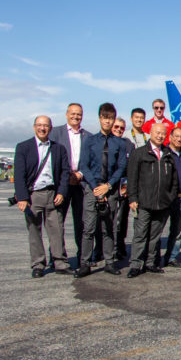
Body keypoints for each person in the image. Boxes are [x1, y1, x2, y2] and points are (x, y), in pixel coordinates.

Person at [75, 103, 128, 278]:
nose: (108, 121)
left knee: (109, 228)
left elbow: (121, 167)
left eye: (111, 118)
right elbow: (84, 165)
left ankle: (109, 261)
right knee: (88, 228)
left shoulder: (119, 143)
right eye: (105, 118)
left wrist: (109, 185)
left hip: (110, 189)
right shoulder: (90, 141)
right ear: (100, 118)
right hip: (93, 188)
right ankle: (85, 263)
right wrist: (96, 187)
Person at [14, 116, 71, 277]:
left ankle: (60, 262)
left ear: (50, 128)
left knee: (57, 230)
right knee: (34, 230)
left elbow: (65, 172)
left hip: (52, 193)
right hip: (33, 196)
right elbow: (19, 174)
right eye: (39, 125)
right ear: (34, 127)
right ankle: (38, 264)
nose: (42, 128)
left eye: (45, 125)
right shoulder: (24, 147)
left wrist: (61, 192)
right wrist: (22, 197)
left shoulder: (58, 148)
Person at [126, 123, 179, 277]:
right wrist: (133, 197)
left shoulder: (168, 153)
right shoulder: (140, 153)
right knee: (140, 234)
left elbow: (174, 180)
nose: (160, 136)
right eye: (157, 132)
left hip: (162, 203)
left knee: (155, 236)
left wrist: (170, 197)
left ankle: (150, 263)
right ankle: (136, 264)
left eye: (163, 133)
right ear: (150, 133)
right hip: (144, 202)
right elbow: (132, 177)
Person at [49, 103, 91, 264]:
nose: (76, 117)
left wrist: (80, 174)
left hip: (80, 184)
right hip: (62, 184)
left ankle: (83, 256)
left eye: (79, 114)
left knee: (81, 222)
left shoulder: (88, 136)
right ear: (67, 114)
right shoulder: (55, 133)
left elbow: (90, 161)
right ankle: (57, 257)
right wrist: (66, 176)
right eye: (73, 113)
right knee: (57, 222)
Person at [161, 126, 181, 268]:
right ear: (170, 137)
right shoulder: (163, 153)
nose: (179, 139)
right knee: (158, 229)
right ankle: (153, 258)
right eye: (176, 136)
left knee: (177, 230)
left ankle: (171, 257)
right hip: (165, 197)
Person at [111, 118, 135, 261]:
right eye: (116, 127)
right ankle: (105, 247)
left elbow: (131, 167)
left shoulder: (128, 144)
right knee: (108, 218)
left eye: (121, 128)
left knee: (122, 218)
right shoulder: (105, 142)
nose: (119, 130)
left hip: (124, 185)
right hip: (108, 186)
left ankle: (120, 245)